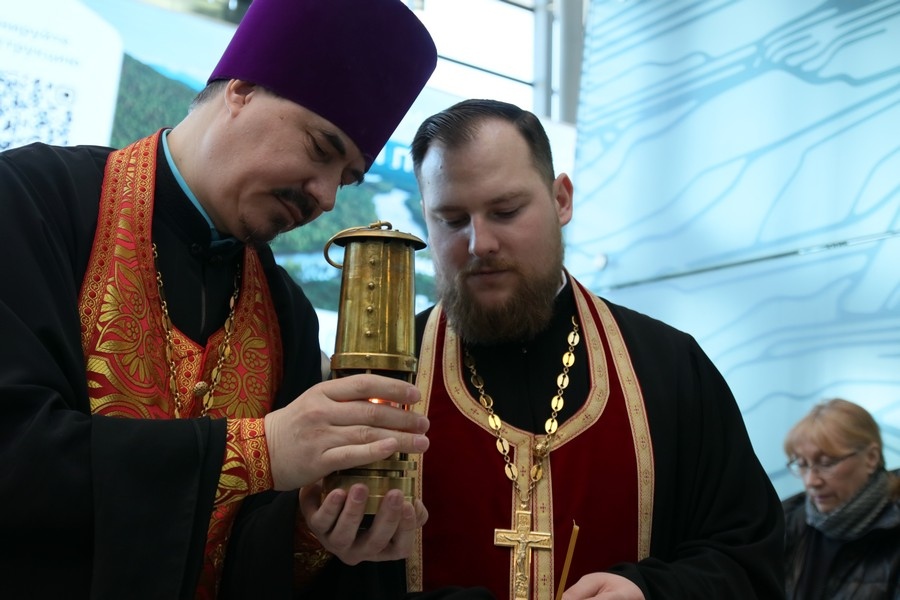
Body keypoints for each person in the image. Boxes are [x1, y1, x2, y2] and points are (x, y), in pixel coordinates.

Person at [0, 0, 437, 598]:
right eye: (320, 148)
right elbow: (17, 452)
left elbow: (243, 549)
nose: (326, 197)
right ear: (242, 89)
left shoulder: (285, 312)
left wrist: (312, 529)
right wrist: (260, 450)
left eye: (347, 177)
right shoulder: (31, 202)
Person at [402, 99, 785, 599]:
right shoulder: (387, 378)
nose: (480, 243)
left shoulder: (669, 367)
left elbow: (747, 558)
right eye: (452, 219)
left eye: (506, 211)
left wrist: (650, 593)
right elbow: (333, 573)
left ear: (561, 200)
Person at [782, 398, 900, 599]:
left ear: (871, 458)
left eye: (826, 463)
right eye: (802, 464)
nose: (811, 481)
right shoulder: (788, 520)